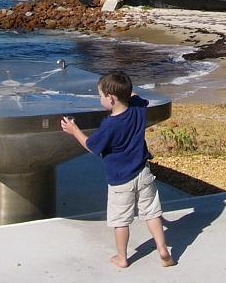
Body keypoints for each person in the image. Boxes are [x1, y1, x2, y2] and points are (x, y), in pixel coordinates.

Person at [61, 70, 176, 268]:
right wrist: (126, 90)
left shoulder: (109, 125)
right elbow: (136, 96)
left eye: (100, 96)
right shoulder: (138, 109)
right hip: (143, 172)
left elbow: (92, 146)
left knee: (121, 220)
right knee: (152, 212)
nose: (100, 99)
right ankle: (163, 249)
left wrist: (74, 131)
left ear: (111, 99)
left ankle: (122, 258)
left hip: (120, 180)